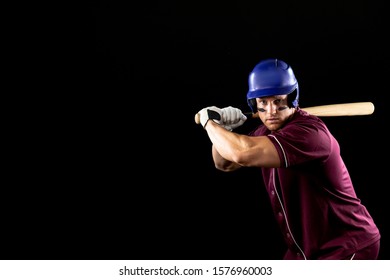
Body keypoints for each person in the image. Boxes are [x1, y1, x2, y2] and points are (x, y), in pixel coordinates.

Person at [196, 58, 381, 260]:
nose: (271, 111)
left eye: (277, 101)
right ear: (254, 103)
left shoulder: (309, 133)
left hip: (346, 244)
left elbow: (242, 153)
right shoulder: (265, 132)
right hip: (304, 249)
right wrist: (224, 128)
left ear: (292, 97)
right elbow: (224, 162)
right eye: (263, 102)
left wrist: (210, 124)